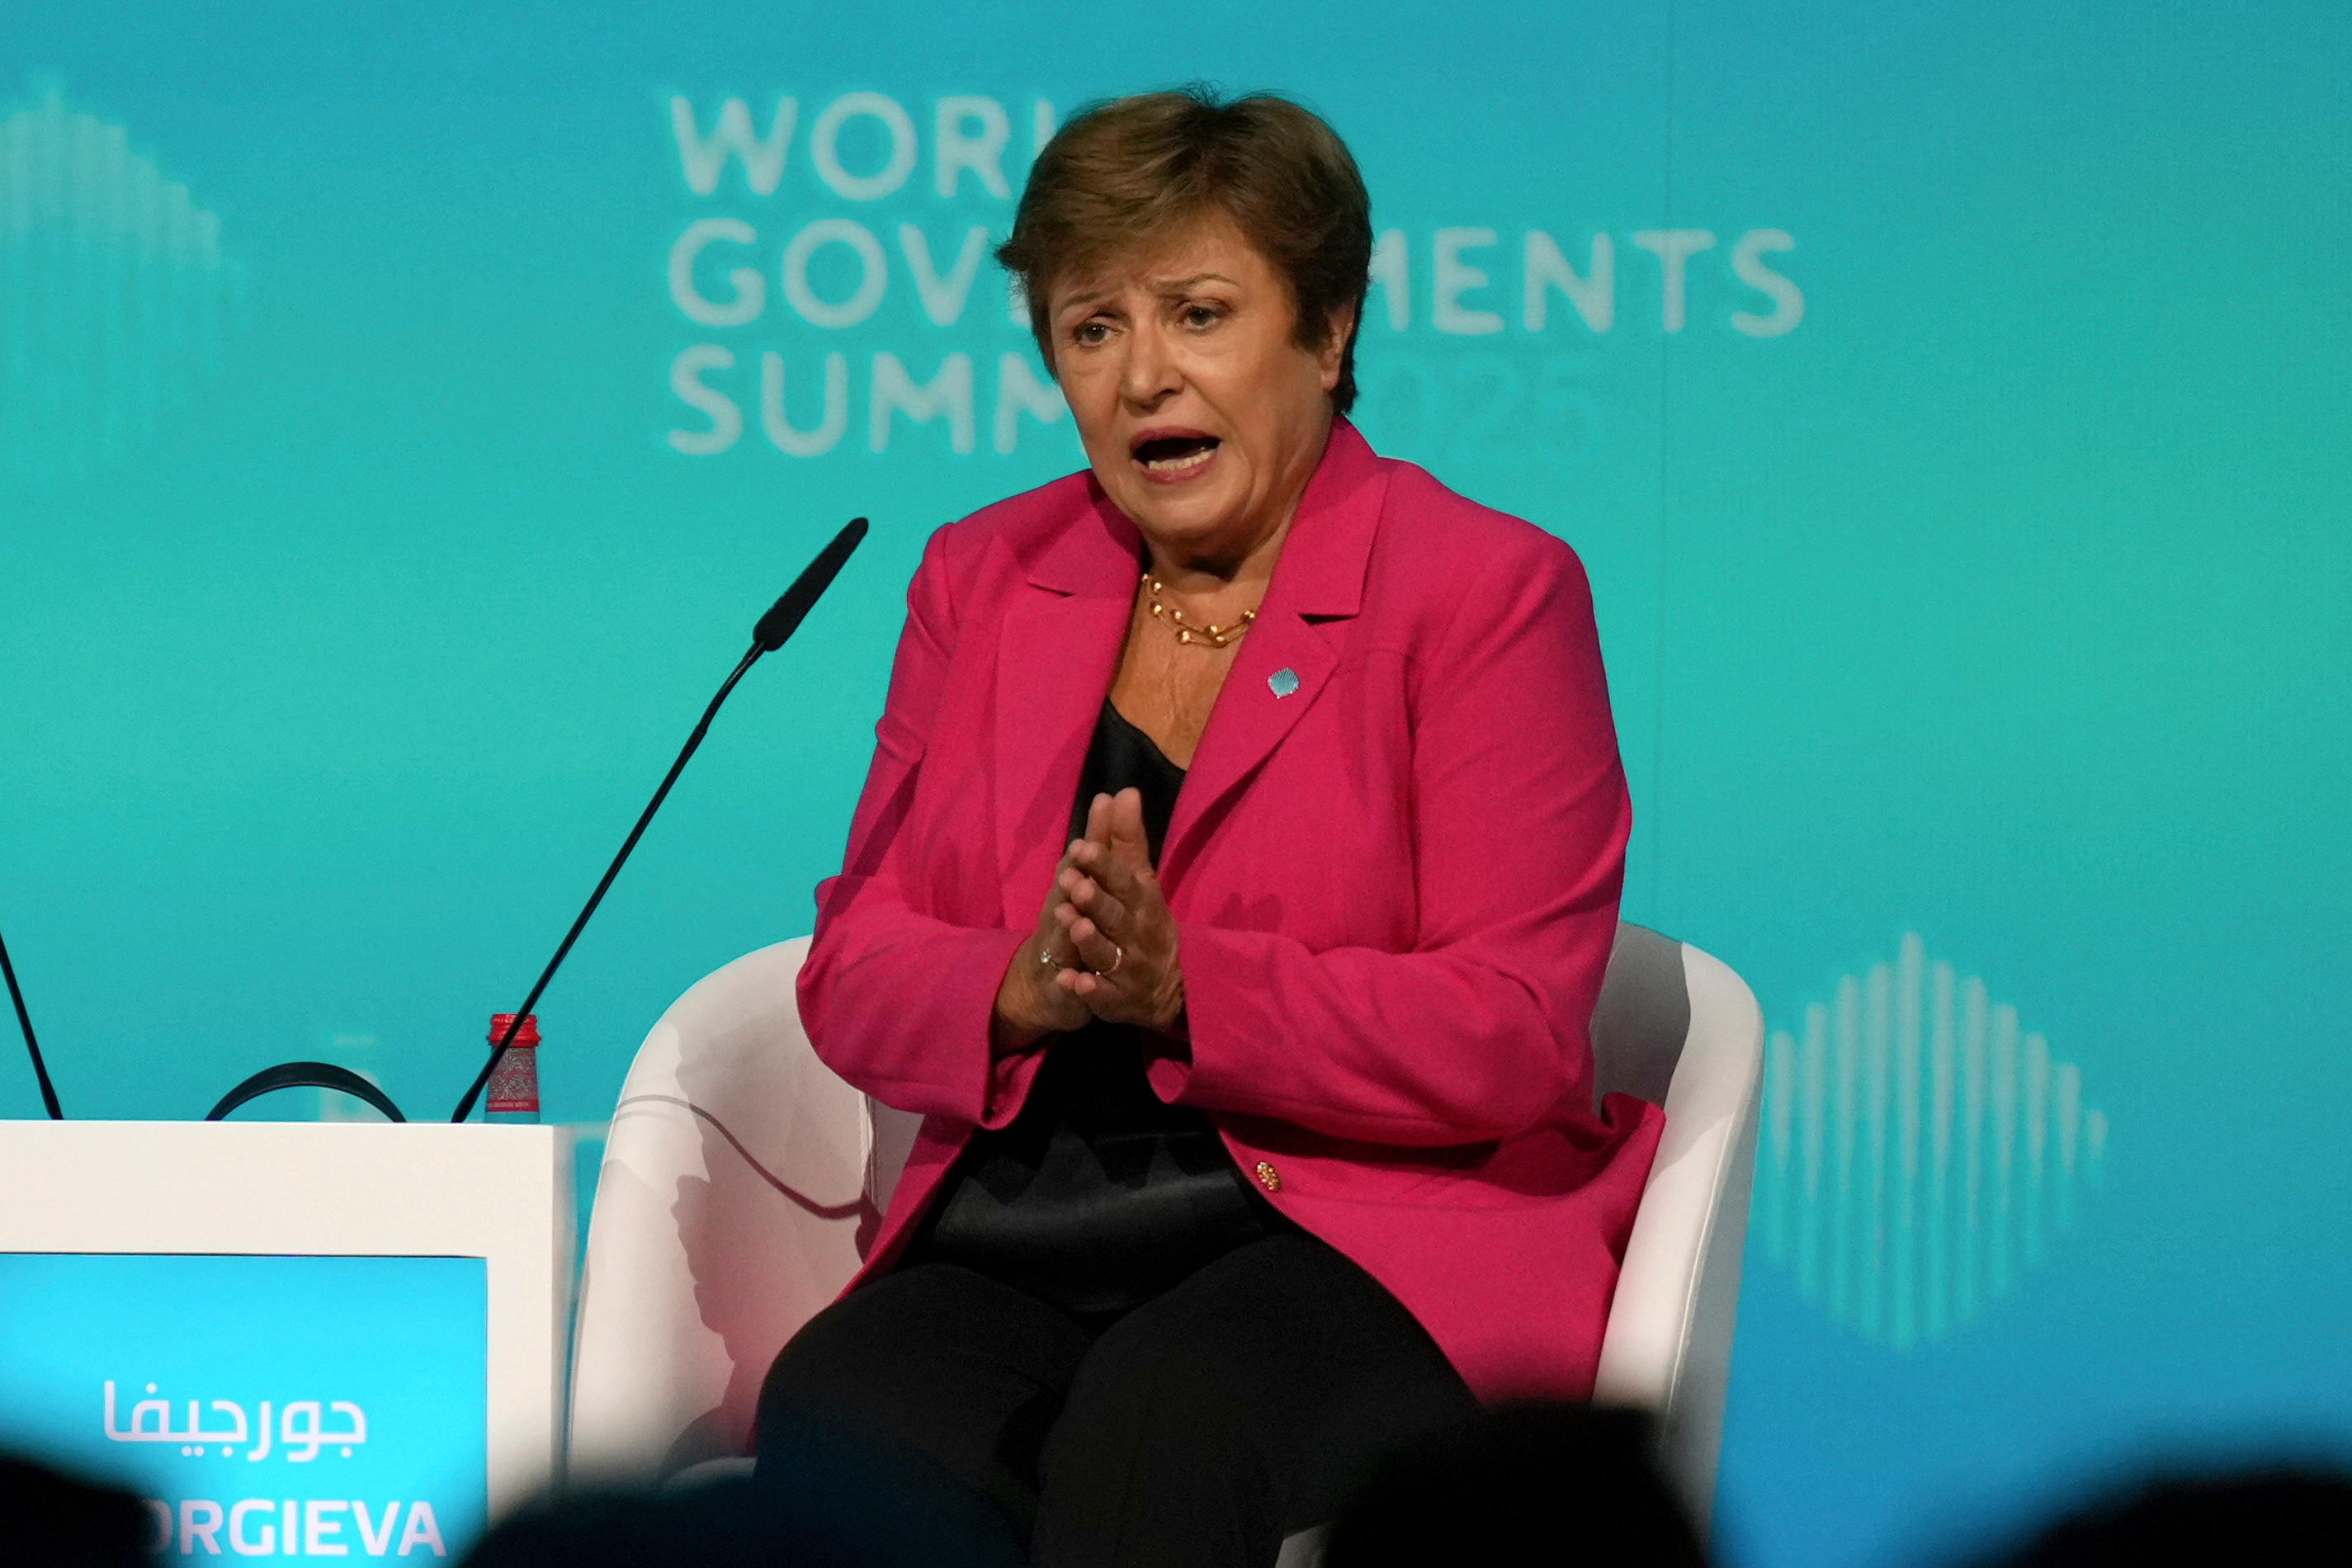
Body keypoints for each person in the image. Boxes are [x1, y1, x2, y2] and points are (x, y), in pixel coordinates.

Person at [758, 86, 1662, 1568]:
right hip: (1026, 1225)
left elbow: (1512, 1029)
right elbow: (853, 960)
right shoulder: (985, 576)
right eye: (1090, 327)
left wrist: (1192, 987)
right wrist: (1018, 985)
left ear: (1326, 330)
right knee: (850, 1413)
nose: (1140, 378)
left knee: (1160, 1427)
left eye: (1197, 314)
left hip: (1367, 1229)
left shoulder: (1485, 591)